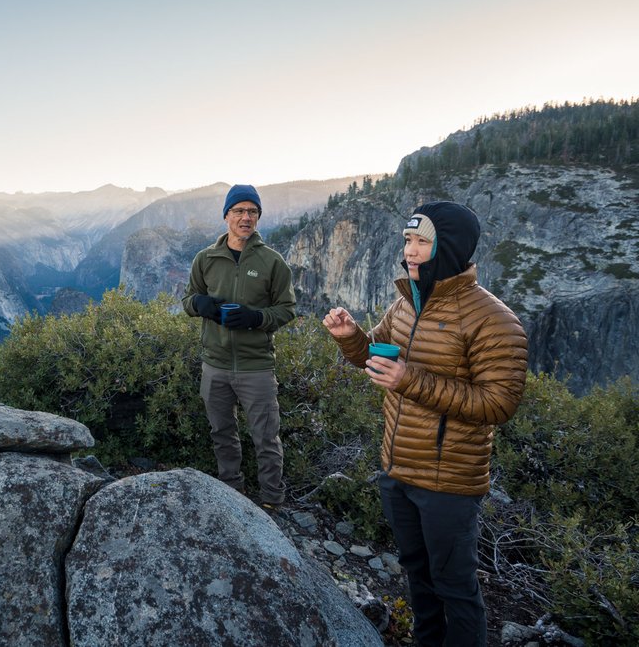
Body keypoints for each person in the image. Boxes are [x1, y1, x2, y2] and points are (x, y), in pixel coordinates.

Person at [322, 201, 528, 647]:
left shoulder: (493, 320)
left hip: (449, 483)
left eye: (421, 242)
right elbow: (374, 353)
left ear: (448, 248)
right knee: (418, 576)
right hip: (397, 472)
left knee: (456, 588)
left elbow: (500, 403)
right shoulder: (406, 303)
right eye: (407, 241)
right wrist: (351, 338)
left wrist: (411, 380)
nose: (410, 251)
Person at [182, 184, 297, 509]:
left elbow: (287, 309)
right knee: (222, 433)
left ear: (258, 217)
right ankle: (233, 497)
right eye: (239, 211)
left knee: (265, 438)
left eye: (252, 212)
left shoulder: (272, 262)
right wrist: (200, 304)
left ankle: (272, 501)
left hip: (256, 367)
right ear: (226, 216)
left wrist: (254, 317)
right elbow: (188, 300)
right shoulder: (205, 259)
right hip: (214, 364)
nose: (245, 217)